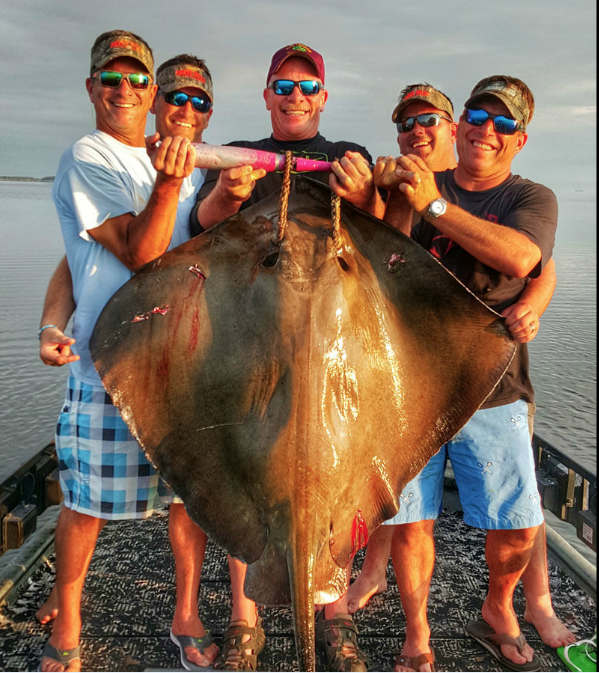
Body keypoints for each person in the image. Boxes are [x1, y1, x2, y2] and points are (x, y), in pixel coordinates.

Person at [348, 84, 573, 672]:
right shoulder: (416, 181)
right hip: (411, 388)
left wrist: (437, 207)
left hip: (495, 388)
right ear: (462, 123)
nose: (486, 129)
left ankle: (500, 605)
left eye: (503, 124)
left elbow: (526, 259)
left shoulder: (530, 196)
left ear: (520, 140)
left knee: (518, 524)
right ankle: (417, 632)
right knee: (410, 520)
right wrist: (394, 199)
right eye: (478, 115)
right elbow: (383, 266)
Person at [190, 42, 382, 672]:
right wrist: (227, 194)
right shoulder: (238, 155)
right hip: (251, 339)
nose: (295, 97)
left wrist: (364, 197)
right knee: (246, 464)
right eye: (284, 86)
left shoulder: (347, 155)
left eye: (307, 87)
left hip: (334, 343)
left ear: (323, 97)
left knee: (339, 468)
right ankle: (244, 620)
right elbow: (200, 230)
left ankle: (335, 612)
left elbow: (380, 235)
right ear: (267, 94)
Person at [37, 37, 218, 672]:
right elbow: (139, 255)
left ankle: (186, 612)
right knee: (85, 502)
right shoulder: (88, 157)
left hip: (183, 366)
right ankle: (69, 617)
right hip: (109, 364)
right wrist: (169, 182)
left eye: (137, 79)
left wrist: (219, 190)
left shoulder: (189, 167)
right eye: (111, 79)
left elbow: (73, 257)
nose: (125, 90)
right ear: (92, 87)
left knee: (188, 505)